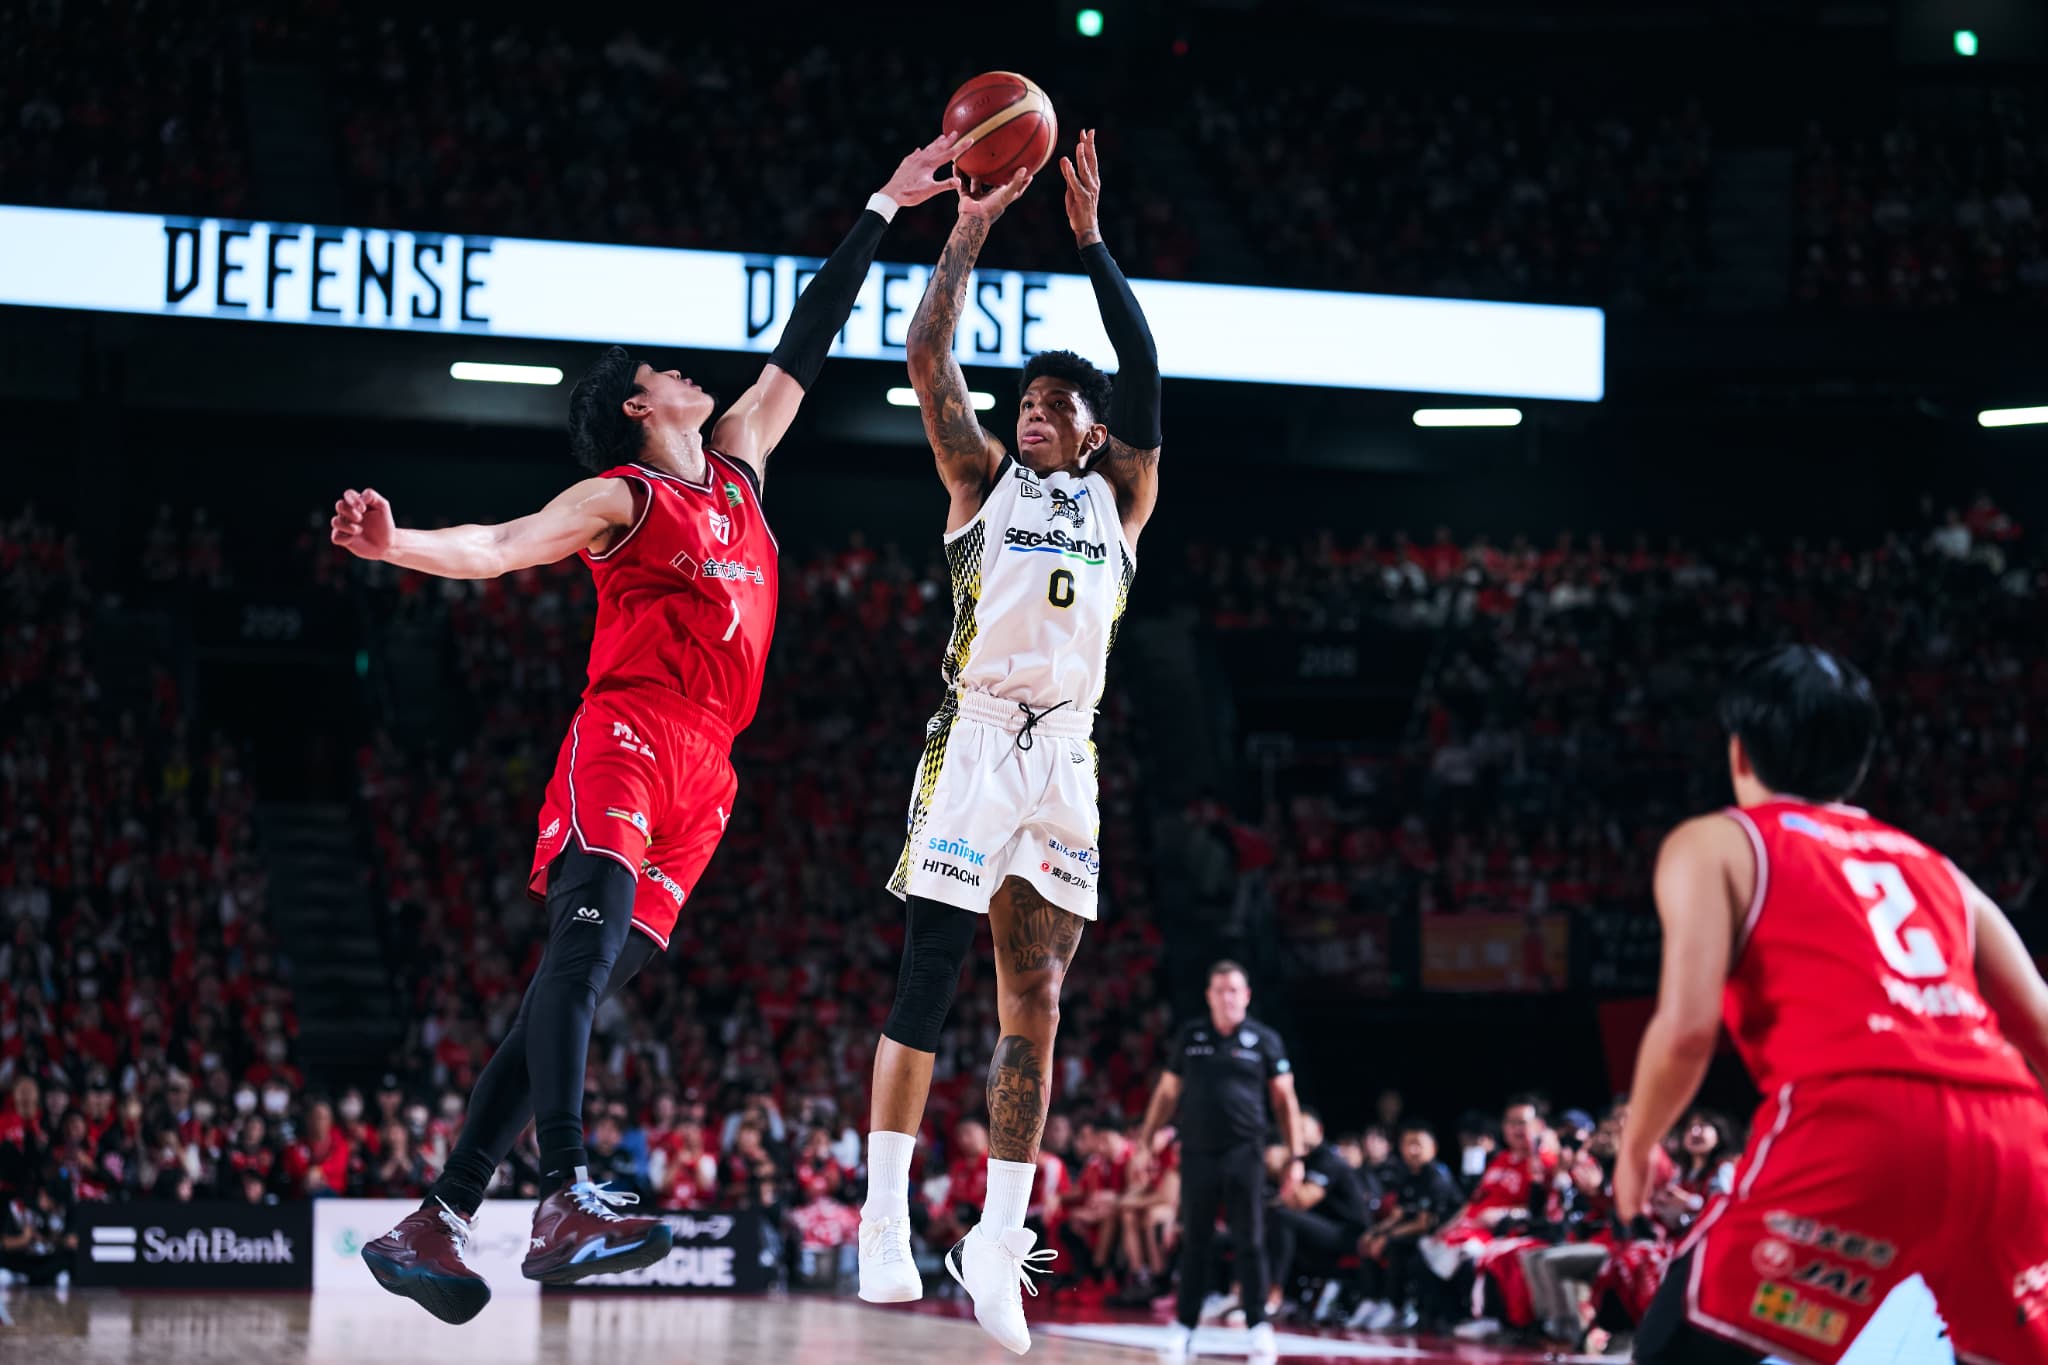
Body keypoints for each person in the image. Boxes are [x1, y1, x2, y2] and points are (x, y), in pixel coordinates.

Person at [342, 137, 964, 1325]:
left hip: (709, 774)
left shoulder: (739, 467)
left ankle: (438, 1218)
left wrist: (885, 204)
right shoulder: (623, 497)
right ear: (638, 405)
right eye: (666, 372)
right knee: (576, 965)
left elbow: (809, 337)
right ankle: (563, 1195)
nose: (690, 374)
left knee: (568, 993)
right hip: (628, 735)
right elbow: (497, 546)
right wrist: (396, 545)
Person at [857, 129, 1164, 1360]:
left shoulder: (1119, 499)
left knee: (1035, 996)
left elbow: (1143, 364)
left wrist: (1089, 241)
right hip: (977, 738)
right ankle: (883, 1217)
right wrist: (972, 226)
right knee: (930, 970)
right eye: (1024, 403)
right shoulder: (979, 481)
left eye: (1053, 407)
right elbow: (930, 354)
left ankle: (995, 1239)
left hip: (1066, 756)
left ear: (1093, 434)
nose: (1031, 414)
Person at [1619, 645, 2048, 1363]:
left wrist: (1637, 1149)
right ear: (1860, 763)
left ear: (1739, 752)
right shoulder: (1937, 866)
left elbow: (1688, 1030)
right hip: (2010, 1134)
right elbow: (2040, 1025)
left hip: (1860, 1122)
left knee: (1677, 1348)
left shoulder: (1718, 841)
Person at [1133, 961, 1303, 1362]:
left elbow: (1285, 1099)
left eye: (1235, 990)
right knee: (1195, 1240)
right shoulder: (1191, 1035)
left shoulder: (1264, 1040)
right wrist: (1145, 1140)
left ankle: (1258, 1325)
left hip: (1246, 1153)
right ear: (1209, 996)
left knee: (1251, 1240)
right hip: (1198, 1153)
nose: (1228, 998)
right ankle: (1185, 1325)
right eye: (1221, 990)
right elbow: (1167, 1092)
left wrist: (1295, 1156)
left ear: (1247, 996)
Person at [1348, 1121, 1465, 1332]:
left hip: (1439, 1237)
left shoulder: (1436, 1177)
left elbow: (1423, 1224)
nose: (1412, 1150)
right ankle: (1370, 1300)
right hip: (1413, 1233)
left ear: (1433, 1148)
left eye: (1418, 1144)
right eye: (1407, 1144)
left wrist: (1387, 1237)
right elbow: (1397, 1215)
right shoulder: (1408, 1176)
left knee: (1395, 1246)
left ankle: (1394, 1306)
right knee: (1367, 1241)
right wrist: (1374, 1232)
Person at [1262, 1109, 1370, 1323]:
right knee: (1268, 1219)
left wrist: (1284, 1168)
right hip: (1320, 1229)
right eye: (1293, 1129)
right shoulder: (1304, 1158)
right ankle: (1275, 1295)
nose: (1297, 1134)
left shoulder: (1328, 1160)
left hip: (1348, 1234)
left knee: (1283, 1217)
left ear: (1318, 1130)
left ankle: (1274, 1294)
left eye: (1303, 1128)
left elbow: (1302, 1200)